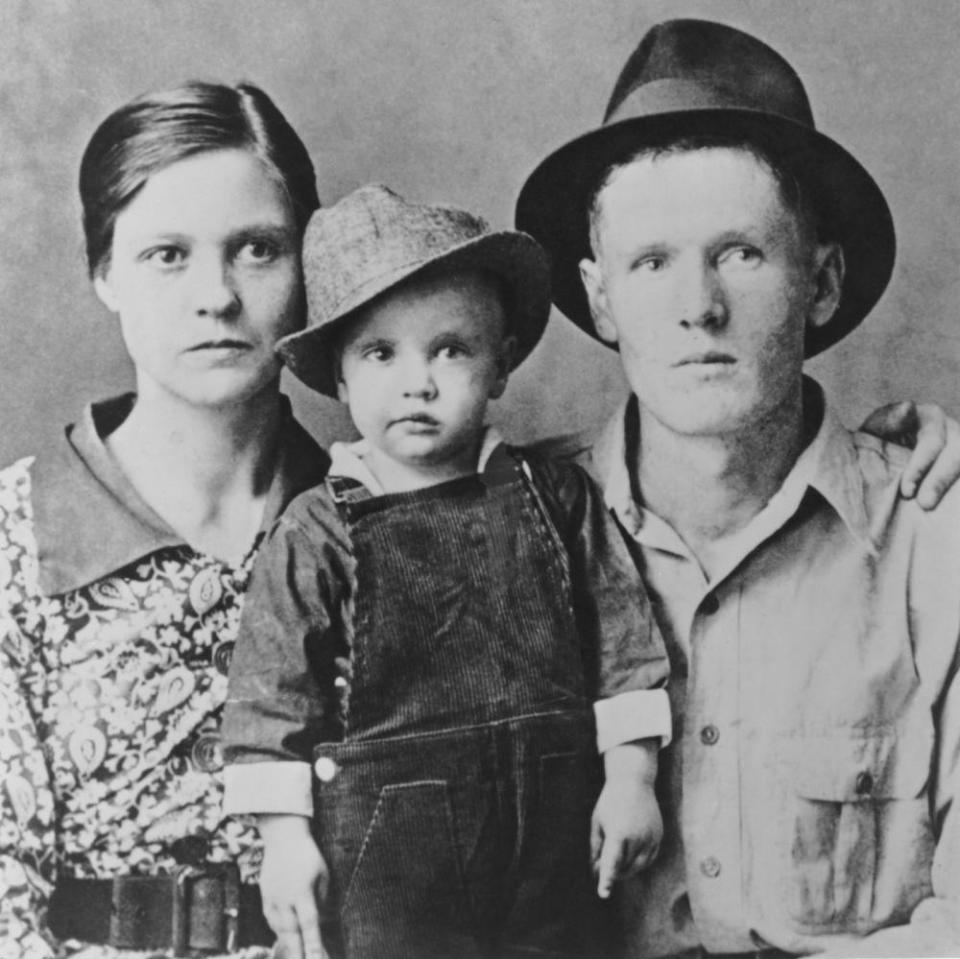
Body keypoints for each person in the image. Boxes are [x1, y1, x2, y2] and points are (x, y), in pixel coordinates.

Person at [516, 17, 960, 958]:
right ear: (600, 299)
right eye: (651, 262)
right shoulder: (513, 532)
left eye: (742, 253)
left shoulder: (937, 540)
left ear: (823, 283)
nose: (698, 306)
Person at [221, 184, 671, 959]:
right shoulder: (317, 529)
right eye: (381, 353)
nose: (418, 381)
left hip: (552, 852)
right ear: (339, 379)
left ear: (499, 369)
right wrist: (286, 841)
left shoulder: (555, 495)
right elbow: (270, 699)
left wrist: (632, 778)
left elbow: (626, 645)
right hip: (395, 868)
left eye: (451, 349)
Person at [0, 81, 329, 957]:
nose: (217, 295)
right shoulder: (15, 541)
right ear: (104, 272)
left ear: (308, 269)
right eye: (167, 255)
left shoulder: (372, 529)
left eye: (258, 249)